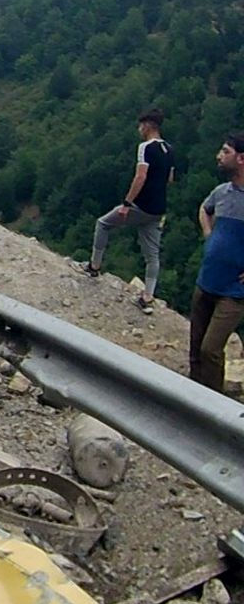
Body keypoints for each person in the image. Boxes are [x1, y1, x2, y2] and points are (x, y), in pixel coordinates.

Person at [78, 109, 175, 313]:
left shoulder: (145, 147)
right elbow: (170, 179)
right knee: (152, 254)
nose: (139, 129)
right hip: (158, 208)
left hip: (141, 205)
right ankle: (147, 296)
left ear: (148, 125)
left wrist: (127, 203)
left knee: (103, 224)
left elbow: (140, 176)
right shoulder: (170, 148)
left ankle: (94, 267)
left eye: (141, 125)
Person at [188, 133, 244, 393]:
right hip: (206, 281)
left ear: (241, 159)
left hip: (234, 293)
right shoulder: (222, 192)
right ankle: (192, 400)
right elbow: (204, 208)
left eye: (225, 152)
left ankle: (212, 407)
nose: (219, 157)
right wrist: (208, 234)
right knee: (196, 348)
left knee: (211, 349)